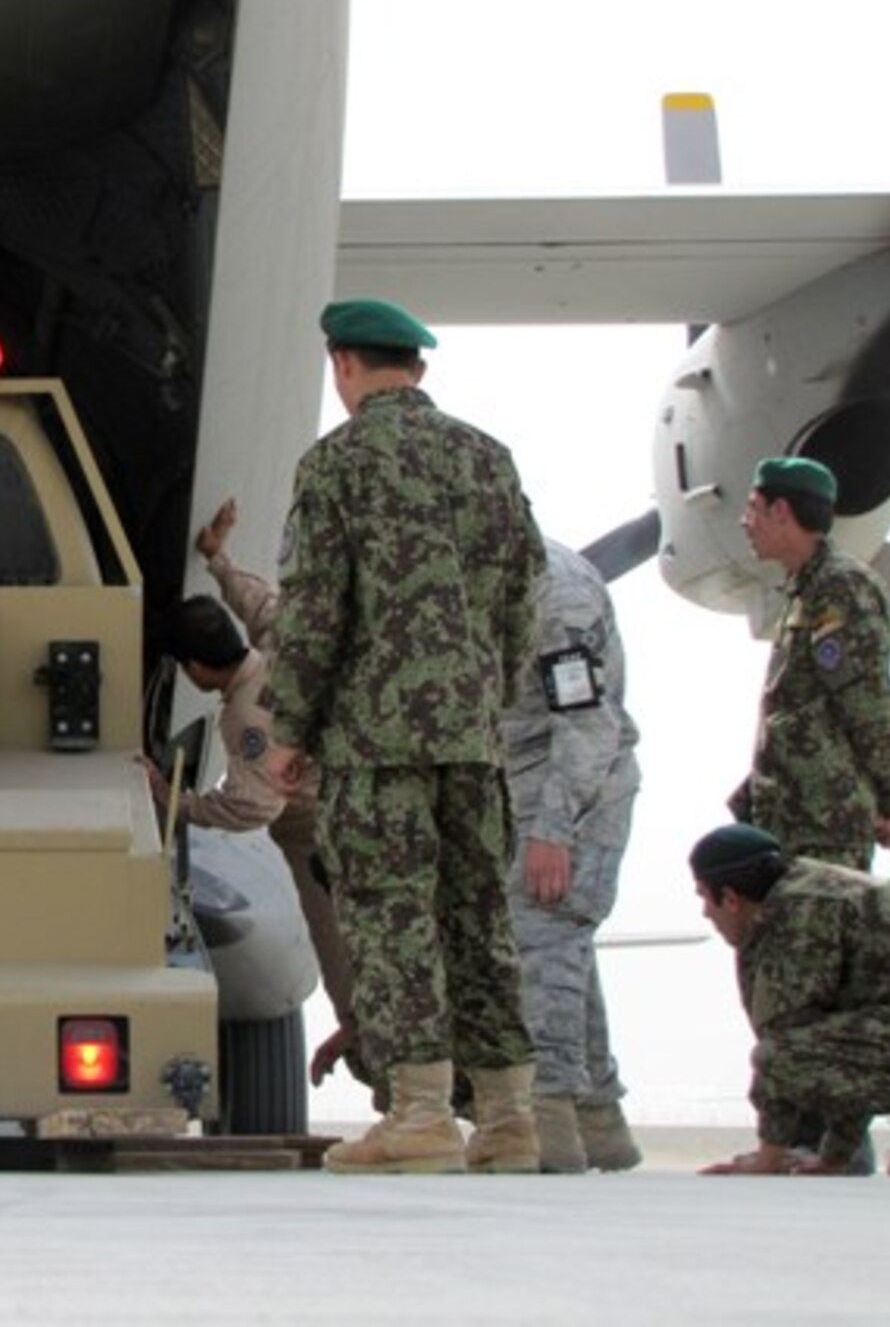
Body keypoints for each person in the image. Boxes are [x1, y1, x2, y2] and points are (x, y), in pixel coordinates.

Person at [262, 298, 545, 1174]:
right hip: (471, 741)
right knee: (479, 918)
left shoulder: (338, 464)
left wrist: (290, 730)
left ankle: (420, 1112)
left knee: (392, 918)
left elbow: (314, 610)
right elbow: (526, 593)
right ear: (415, 368)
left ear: (343, 364)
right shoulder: (487, 459)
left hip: (377, 741)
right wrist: (482, 694)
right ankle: (508, 1119)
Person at [184, 498, 357, 1071]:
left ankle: (389, 1086)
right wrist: (219, 560)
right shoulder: (278, 647)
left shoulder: (245, 718)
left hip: (314, 837)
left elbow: (250, 809)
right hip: (356, 806)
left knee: (345, 964)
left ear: (195, 669)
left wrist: (176, 802)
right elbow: (258, 604)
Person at [503, 538, 643, 1172]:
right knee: (564, 947)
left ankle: (551, 1120)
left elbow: (587, 724)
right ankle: (599, 1125)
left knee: (545, 935)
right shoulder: (493, 574)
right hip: (525, 785)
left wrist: (555, 830)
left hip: (579, 790)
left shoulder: (558, 594)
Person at [688, 823, 890, 1176]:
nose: (706, 913)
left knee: (778, 1052)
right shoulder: (820, 889)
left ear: (731, 899)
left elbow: (784, 1053)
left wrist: (769, 1157)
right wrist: (833, 1159)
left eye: (704, 897)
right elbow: (850, 1050)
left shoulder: (796, 916)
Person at [728, 455, 890, 871]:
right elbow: (798, 706)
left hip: (824, 828)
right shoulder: (804, 591)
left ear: (781, 511)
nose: (743, 521)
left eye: (752, 508)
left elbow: (868, 705)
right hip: (794, 819)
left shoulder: (840, 588)